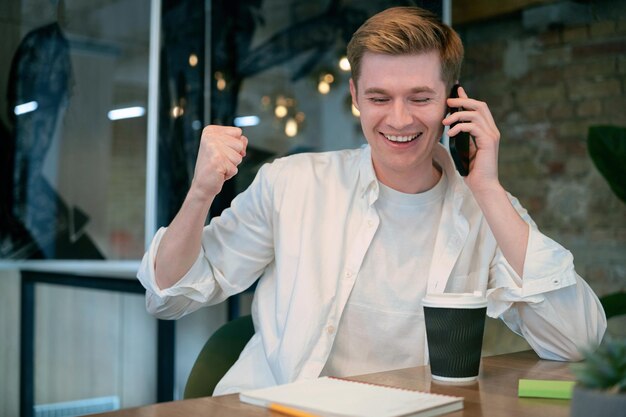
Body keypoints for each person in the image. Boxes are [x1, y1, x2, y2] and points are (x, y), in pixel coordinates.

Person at [137, 6, 606, 395]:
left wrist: (486, 187)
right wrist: (200, 193)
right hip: (275, 407)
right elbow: (168, 295)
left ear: (453, 102)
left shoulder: (484, 208)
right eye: (379, 97)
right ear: (356, 95)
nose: (398, 119)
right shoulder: (291, 183)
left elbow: (579, 342)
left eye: (420, 98)